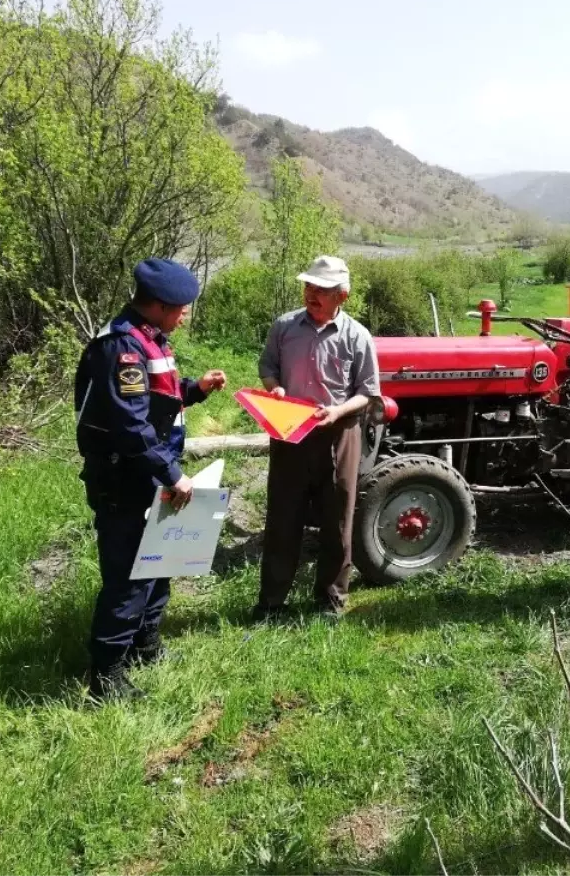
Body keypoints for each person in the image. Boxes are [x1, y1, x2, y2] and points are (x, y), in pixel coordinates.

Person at [73, 257, 227, 700]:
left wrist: (196, 389)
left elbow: (157, 399)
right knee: (128, 578)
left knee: (159, 564)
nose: (185, 315)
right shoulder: (121, 347)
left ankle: (146, 645)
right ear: (158, 305)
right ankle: (106, 676)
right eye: (180, 308)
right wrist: (173, 475)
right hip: (124, 480)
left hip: (148, 476)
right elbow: (131, 425)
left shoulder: (149, 339)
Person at [252, 254, 381, 621]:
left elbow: (367, 391)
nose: (312, 294)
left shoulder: (357, 336)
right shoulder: (284, 327)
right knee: (283, 516)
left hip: (339, 433)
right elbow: (268, 366)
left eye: (321, 289)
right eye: (309, 286)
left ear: (343, 295)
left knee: (338, 517)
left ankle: (330, 600)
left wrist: (338, 411)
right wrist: (274, 388)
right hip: (289, 431)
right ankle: (272, 602)